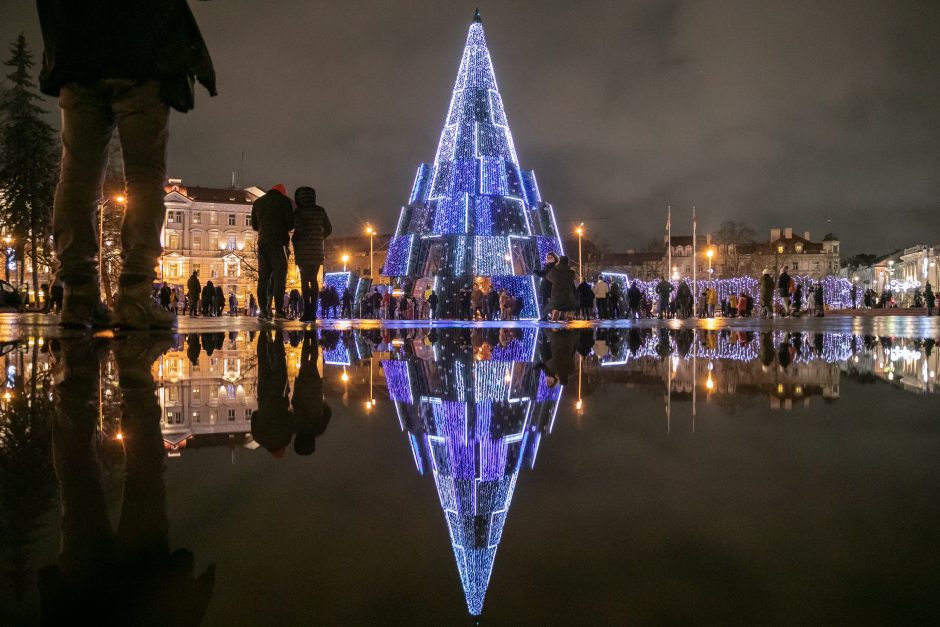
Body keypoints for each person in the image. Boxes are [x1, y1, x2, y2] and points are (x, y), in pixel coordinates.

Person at [38, 0, 215, 329]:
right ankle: (135, 296)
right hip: (142, 54)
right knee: (145, 178)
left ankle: (77, 297)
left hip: (77, 51)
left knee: (76, 177)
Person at [252, 184, 294, 320]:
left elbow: (254, 225)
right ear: (282, 193)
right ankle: (279, 311)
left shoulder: (258, 202)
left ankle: (263, 311)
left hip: (262, 244)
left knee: (263, 278)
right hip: (279, 243)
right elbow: (290, 224)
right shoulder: (284, 201)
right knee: (279, 278)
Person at [290, 186, 331, 322]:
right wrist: (319, 238)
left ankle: (306, 311)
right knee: (313, 280)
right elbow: (329, 229)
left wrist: (295, 239)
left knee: (304, 280)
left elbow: (299, 229)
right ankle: (313, 312)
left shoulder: (299, 212)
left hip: (303, 252)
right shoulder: (320, 211)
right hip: (316, 251)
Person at [546, 255, 577, 322]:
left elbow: (548, 276)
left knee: (556, 307)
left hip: (556, 294)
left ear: (559, 262)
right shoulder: (571, 273)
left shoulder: (555, 272)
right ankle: (569, 316)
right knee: (571, 306)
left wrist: (555, 266)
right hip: (567, 295)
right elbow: (573, 278)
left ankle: (555, 316)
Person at [533, 252, 558, 321]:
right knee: (544, 302)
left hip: (551, 286)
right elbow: (543, 273)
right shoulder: (547, 265)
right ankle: (545, 316)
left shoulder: (555, 266)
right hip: (545, 285)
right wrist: (536, 271)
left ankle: (553, 314)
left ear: (554, 258)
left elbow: (545, 274)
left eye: (550, 257)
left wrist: (537, 272)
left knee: (552, 302)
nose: (549, 259)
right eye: (548, 257)